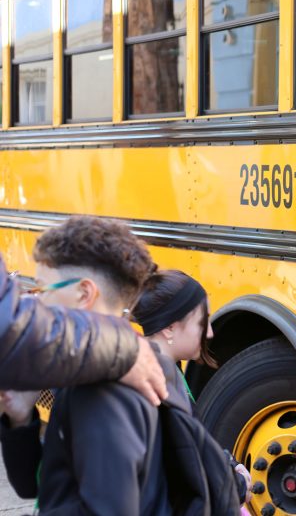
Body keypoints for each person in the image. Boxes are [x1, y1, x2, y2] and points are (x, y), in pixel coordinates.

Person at [0, 216, 196, 514]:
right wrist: (19, 418)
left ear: (84, 294)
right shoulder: (137, 363)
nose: (36, 306)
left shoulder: (102, 387)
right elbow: (38, 485)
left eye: (41, 291)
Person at [131, 269, 252, 506]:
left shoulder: (165, 371)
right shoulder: (158, 388)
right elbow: (185, 474)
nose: (210, 332)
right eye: (202, 322)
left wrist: (230, 464)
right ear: (170, 328)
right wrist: (236, 487)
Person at [0, 255, 167, 404]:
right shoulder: (101, 371)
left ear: (83, 294)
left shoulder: (92, 391)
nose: (34, 300)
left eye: (42, 290)